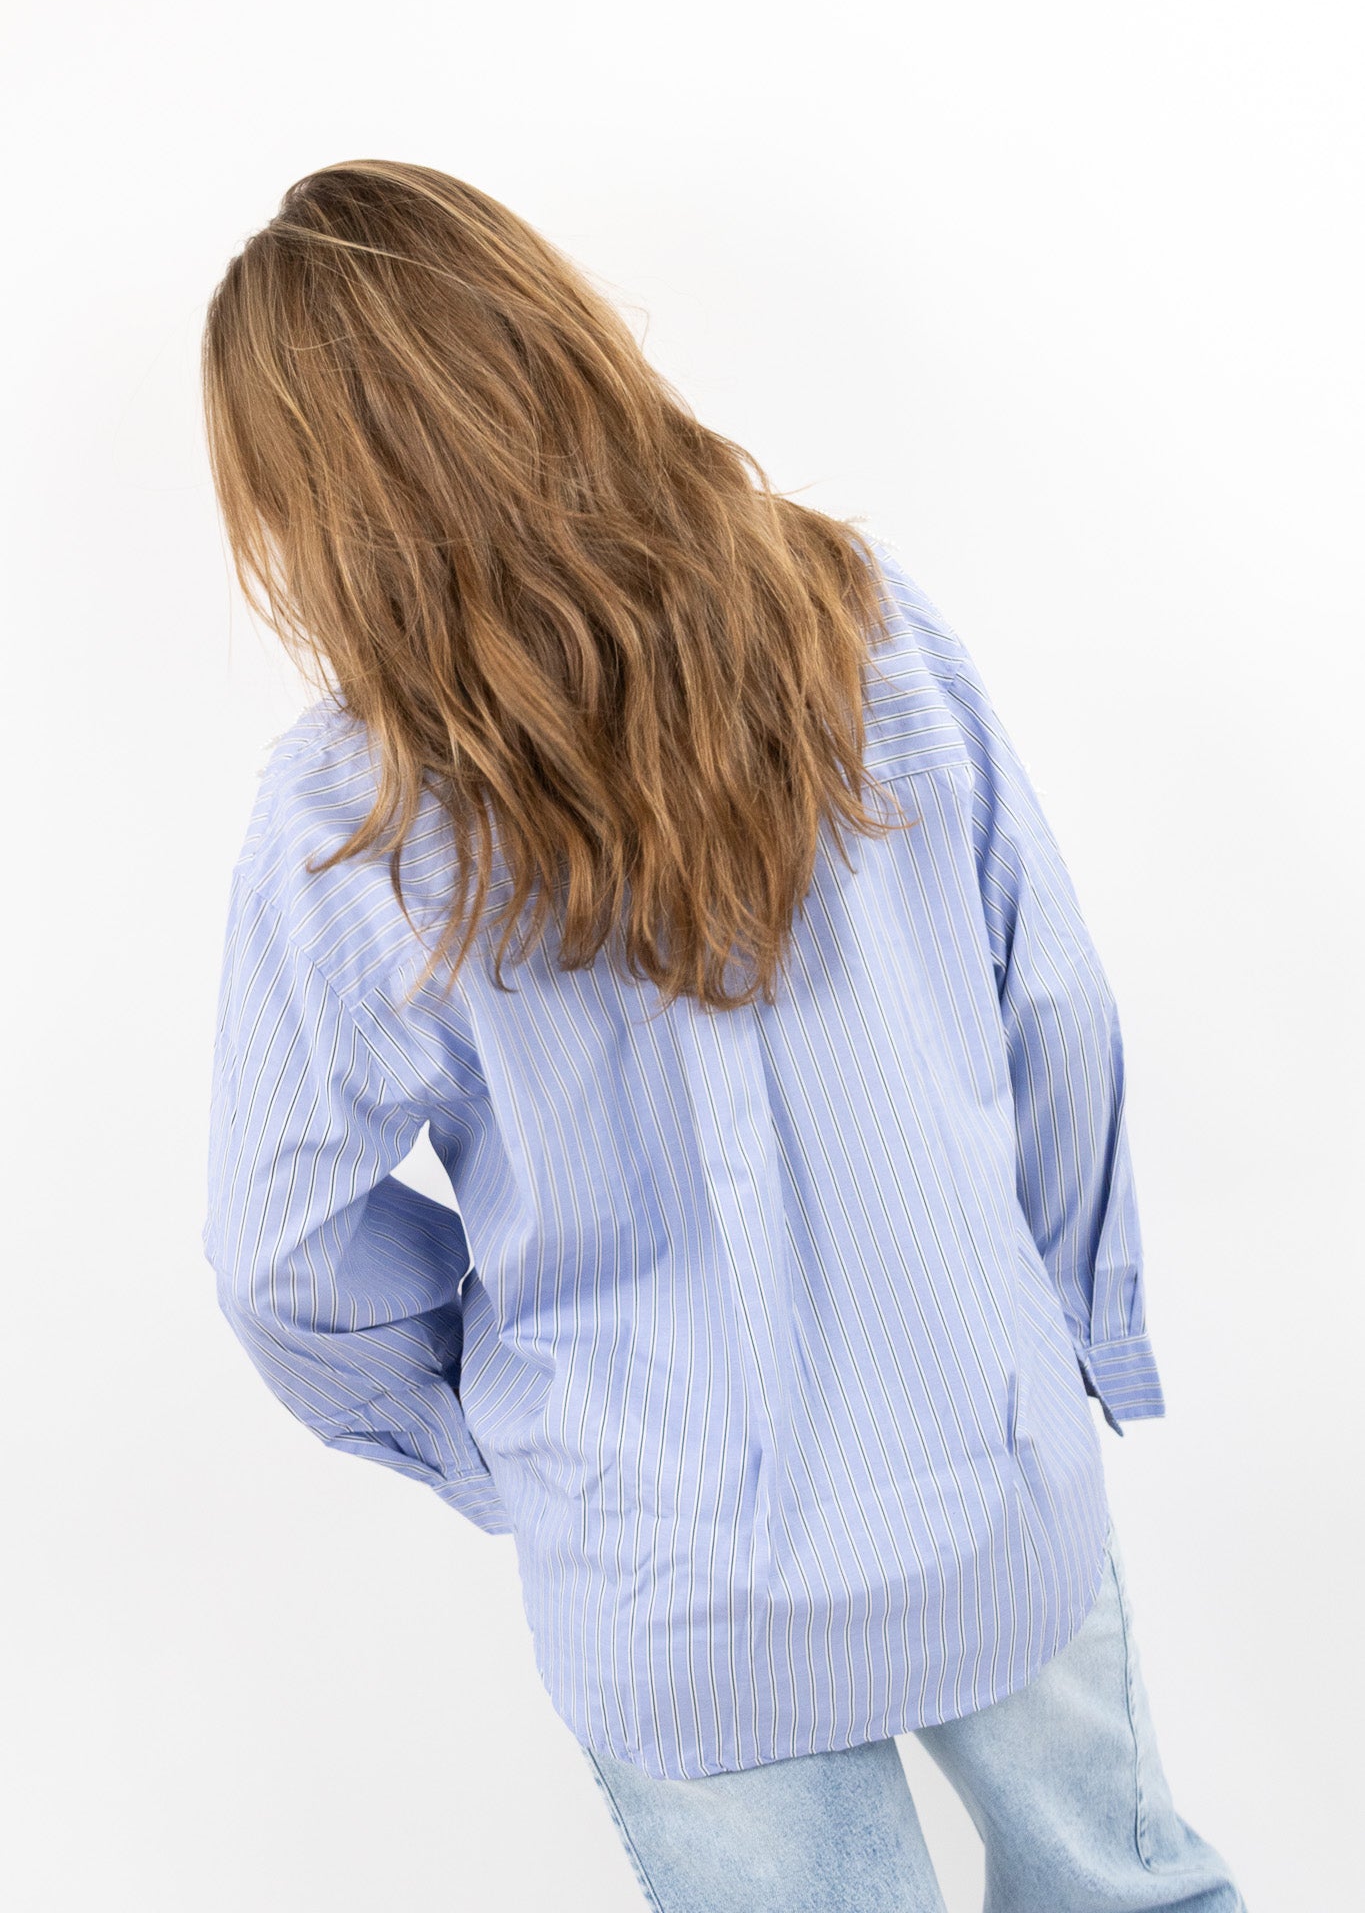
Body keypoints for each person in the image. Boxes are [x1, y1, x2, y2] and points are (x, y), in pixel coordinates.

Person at [200, 159, 1247, 1911]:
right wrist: (1070, 1333)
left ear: (306, 492)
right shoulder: (852, 615)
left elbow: (277, 1258)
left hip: (672, 1572)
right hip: (988, 1462)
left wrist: (502, 1432)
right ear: (555, 345)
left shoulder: (348, 811)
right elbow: (1053, 1009)